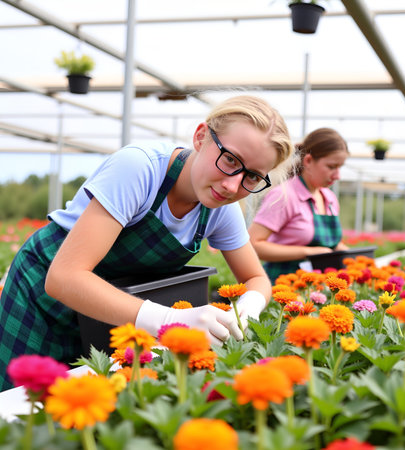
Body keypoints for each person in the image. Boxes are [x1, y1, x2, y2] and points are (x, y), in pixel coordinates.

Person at [0, 95, 293, 391]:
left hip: (107, 312)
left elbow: (256, 278)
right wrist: (171, 320)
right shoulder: (139, 169)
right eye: (230, 159)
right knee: (23, 408)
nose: (233, 185)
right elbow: (64, 278)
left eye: (252, 177)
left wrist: (245, 311)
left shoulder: (222, 208)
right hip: (43, 298)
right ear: (201, 136)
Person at [248, 127, 349, 283]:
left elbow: (331, 245)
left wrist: (351, 256)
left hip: (319, 286)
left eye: (340, 167)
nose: (337, 175)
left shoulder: (329, 198)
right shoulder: (284, 196)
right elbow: (253, 245)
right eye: (331, 167)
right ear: (308, 161)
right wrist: (308, 252)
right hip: (283, 286)